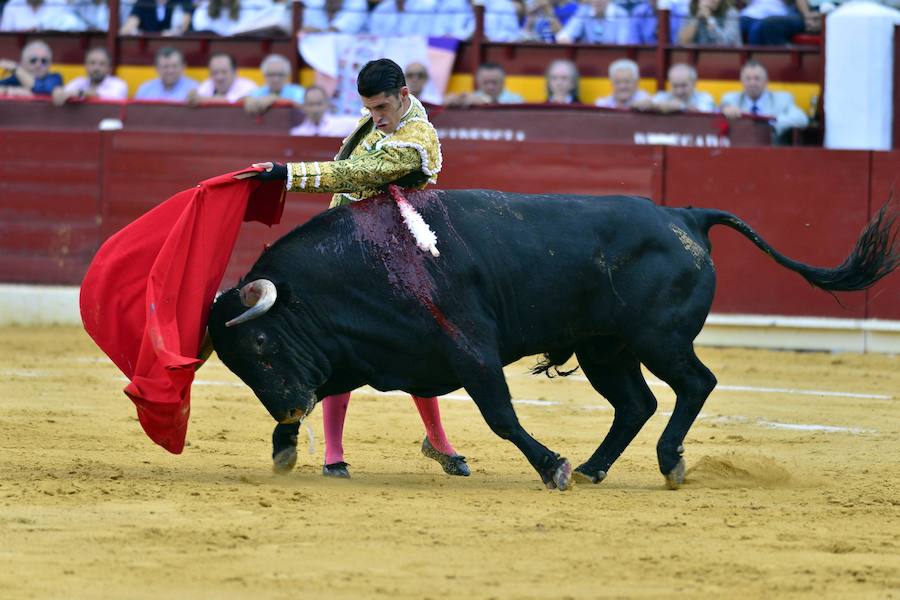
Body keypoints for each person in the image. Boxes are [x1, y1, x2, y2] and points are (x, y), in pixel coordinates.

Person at [250, 58, 469, 479]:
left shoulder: (417, 139)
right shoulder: (379, 118)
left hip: (391, 260)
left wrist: (286, 174)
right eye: (369, 109)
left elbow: (354, 172)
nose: (375, 118)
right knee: (338, 345)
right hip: (346, 250)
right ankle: (333, 454)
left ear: (403, 96)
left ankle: (437, 440)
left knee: (418, 351)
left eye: (382, 109)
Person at [720, 59, 808, 143]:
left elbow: (801, 119)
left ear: (766, 81)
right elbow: (716, 114)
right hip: (740, 150)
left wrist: (771, 123)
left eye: (757, 78)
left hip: (772, 152)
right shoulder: (731, 99)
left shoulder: (782, 99)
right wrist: (724, 109)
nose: (752, 83)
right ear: (741, 81)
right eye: (748, 79)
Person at [51, 47, 128, 105]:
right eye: (92, 63)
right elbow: (63, 92)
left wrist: (80, 93)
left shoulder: (119, 84)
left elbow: (111, 97)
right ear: (86, 66)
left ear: (109, 68)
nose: (96, 68)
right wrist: (58, 91)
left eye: (102, 64)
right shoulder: (79, 82)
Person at [289, 85, 358, 136]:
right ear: (304, 107)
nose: (315, 109)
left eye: (319, 104)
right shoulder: (298, 133)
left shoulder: (343, 125)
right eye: (311, 104)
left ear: (327, 104)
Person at [740, 0, 819, 45]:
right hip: (751, 12)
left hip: (776, 13)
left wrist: (808, 17)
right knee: (736, 23)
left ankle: (754, 67)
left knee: (757, 29)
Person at [189, 52, 257, 104]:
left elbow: (235, 101)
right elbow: (196, 99)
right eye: (215, 73)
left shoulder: (248, 85)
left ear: (235, 72)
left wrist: (202, 99)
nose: (219, 77)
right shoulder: (207, 84)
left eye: (224, 72)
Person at [445, 62, 524, 106]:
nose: (490, 87)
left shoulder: (516, 100)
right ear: (478, 82)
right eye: (485, 83)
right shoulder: (471, 98)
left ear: (503, 82)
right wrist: (456, 101)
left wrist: (484, 102)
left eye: (494, 82)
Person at [649, 63, 715, 112]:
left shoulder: (705, 97)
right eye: (675, 86)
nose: (679, 91)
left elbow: (704, 113)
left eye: (683, 85)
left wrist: (680, 106)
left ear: (694, 83)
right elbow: (648, 105)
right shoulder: (662, 96)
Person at [555, 0, 629, 43]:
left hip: (614, 55)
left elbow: (623, 44)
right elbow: (565, 34)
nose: (598, 1)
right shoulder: (583, 11)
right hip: (587, 58)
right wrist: (565, 39)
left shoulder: (621, 14)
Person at [120, 0, 192, 36]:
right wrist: (132, 31)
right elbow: (127, 28)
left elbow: (183, 26)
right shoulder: (144, 1)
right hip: (148, 48)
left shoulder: (182, 1)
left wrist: (173, 33)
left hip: (176, 45)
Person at [0, 0, 82, 31]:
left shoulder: (58, 3)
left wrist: (47, 30)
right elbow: (5, 38)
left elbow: (75, 26)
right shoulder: (12, 5)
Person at [369, 0, 439, 36]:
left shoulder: (426, 6)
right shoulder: (382, 8)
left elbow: (423, 38)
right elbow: (375, 37)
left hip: (415, 55)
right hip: (384, 56)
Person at [301, 0, 368, 33]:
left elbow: (336, 30)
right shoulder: (313, 3)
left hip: (352, 54)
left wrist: (318, 31)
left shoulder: (357, 3)